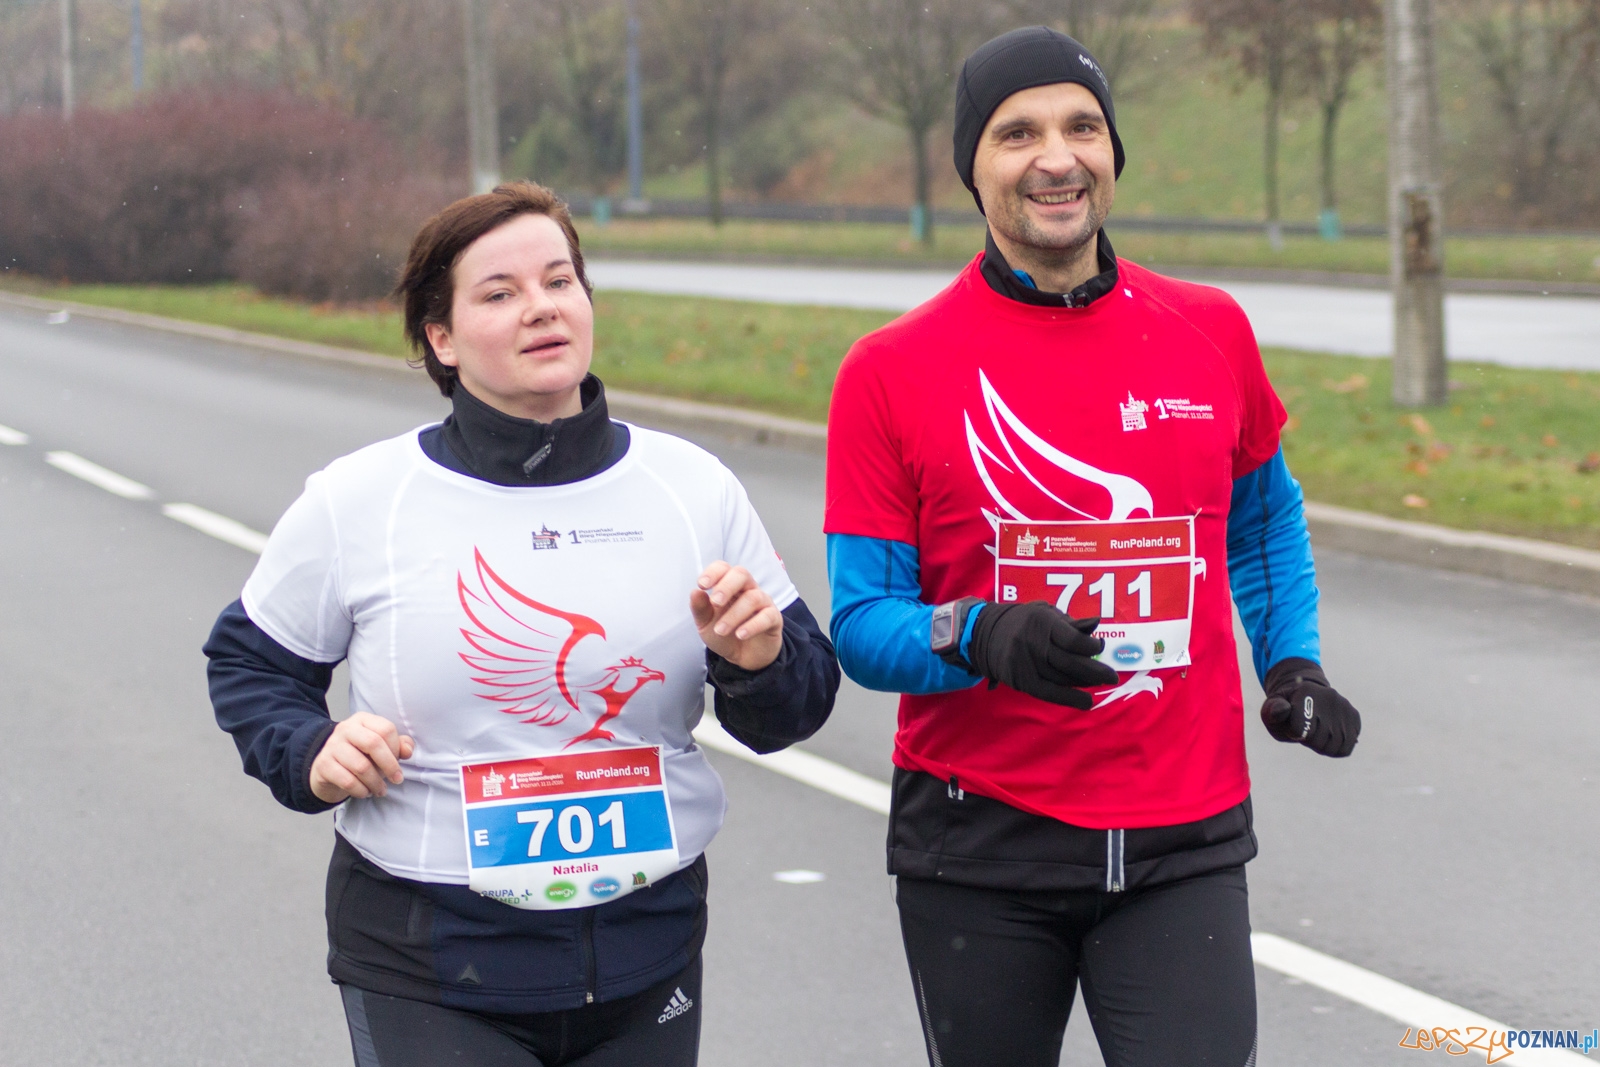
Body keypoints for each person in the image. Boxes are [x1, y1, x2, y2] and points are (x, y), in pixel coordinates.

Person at [205, 180, 839, 1067]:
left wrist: (759, 661)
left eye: (559, 281)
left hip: (647, 950)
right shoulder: (362, 500)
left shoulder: (690, 486)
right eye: (500, 293)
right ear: (442, 338)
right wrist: (311, 748)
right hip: (430, 959)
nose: (541, 307)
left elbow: (793, 705)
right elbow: (251, 665)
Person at [824, 26, 1361, 1067]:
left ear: (1113, 152)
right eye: (1016, 133)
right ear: (971, 168)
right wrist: (978, 634)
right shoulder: (890, 369)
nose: (1056, 157)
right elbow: (860, 620)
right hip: (980, 843)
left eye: (1082, 127)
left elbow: (1260, 520)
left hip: (1182, 834)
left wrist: (1292, 660)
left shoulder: (1209, 329)